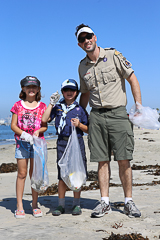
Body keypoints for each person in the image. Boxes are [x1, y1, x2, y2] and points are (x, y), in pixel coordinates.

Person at [75, 24, 142, 218]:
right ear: (79, 45)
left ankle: (129, 202)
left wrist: (138, 105)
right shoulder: (82, 66)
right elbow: (85, 93)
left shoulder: (113, 55)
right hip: (96, 116)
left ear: (95, 37)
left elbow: (132, 78)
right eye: (82, 39)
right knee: (102, 161)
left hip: (118, 114)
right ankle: (104, 202)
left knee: (124, 159)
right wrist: (80, 113)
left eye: (88, 36)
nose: (86, 40)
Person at [42, 79, 88, 216]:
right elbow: (44, 119)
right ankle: (61, 205)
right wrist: (51, 103)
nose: (69, 92)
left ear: (77, 93)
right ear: (62, 92)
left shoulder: (80, 109)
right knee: (62, 175)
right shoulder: (57, 107)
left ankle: (76, 204)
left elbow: (89, 129)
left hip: (77, 142)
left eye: (72, 90)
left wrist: (79, 125)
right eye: (66, 90)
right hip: (62, 142)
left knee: (77, 173)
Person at [10, 76, 47, 218]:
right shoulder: (17, 105)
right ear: (23, 89)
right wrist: (24, 134)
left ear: (38, 89)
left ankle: (35, 204)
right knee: (22, 174)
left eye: (34, 87)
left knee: (34, 175)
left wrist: (38, 132)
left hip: (37, 145)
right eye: (28, 87)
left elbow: (44, 126)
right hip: (22, 144)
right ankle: (19, 205)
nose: (31, 89)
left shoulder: (42, 106)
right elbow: (13, 125)